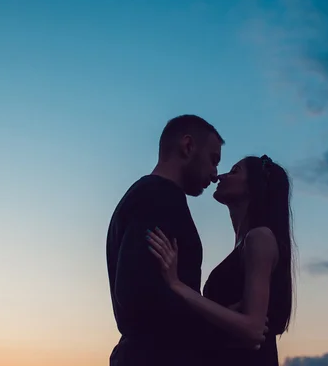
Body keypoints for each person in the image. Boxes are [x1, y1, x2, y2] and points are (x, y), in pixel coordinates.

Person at [106, 115, 266, 366]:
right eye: (214, 160)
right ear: (188, 146)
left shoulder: (152, 196)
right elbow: (138, 299)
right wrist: (216, 325)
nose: (215, 174)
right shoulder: (157, 197)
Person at [147, 154, 295, 366]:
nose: (220, 176)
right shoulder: (247, 243)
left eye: (234, 171)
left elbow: (253, 329)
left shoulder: (259, 238)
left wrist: (177, 285)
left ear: (254, 186)